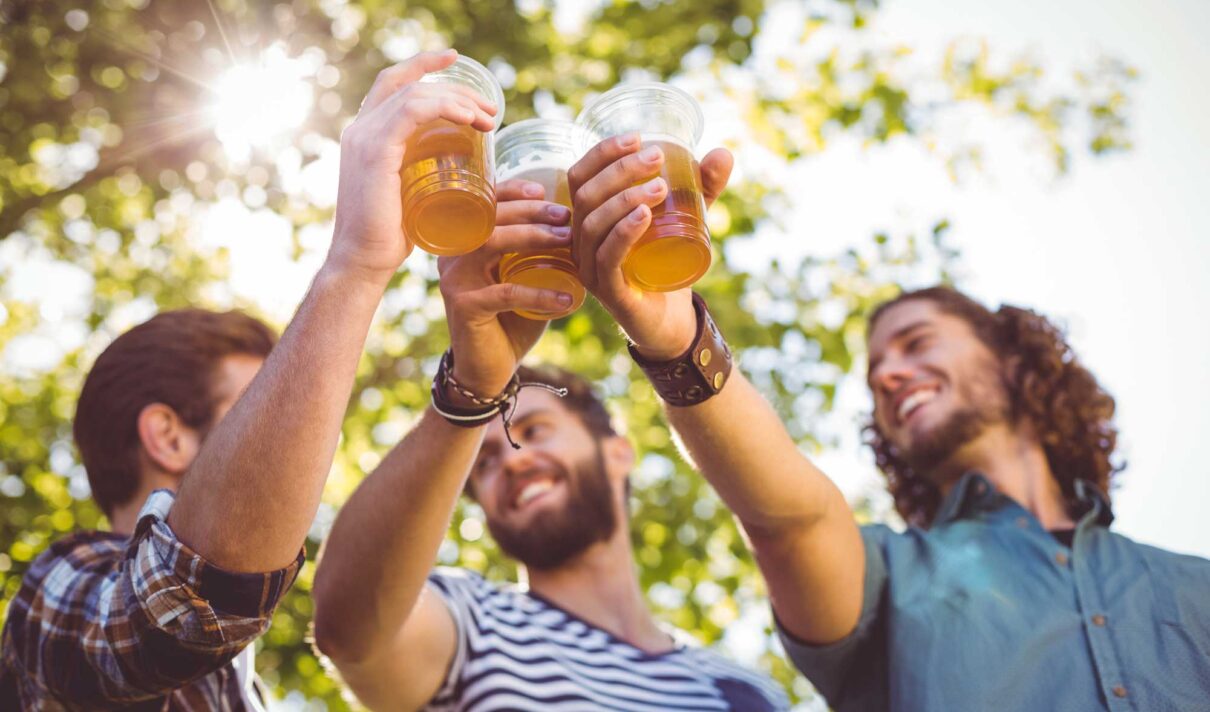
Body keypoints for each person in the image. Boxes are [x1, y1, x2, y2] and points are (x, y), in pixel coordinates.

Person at [567, 135, 1210, 710]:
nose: (887, 376)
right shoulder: (885, 575)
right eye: (875, 371)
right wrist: (678, 340)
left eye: (917, 343)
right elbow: (788, 518)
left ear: (1013, 359)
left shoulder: (1194, 587)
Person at [0, 49, 507, 710]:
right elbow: (186, 605)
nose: (303, 426)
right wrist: (355, 263)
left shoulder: (248, 693)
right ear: (167, 436)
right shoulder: (57, 591)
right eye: (254, 403)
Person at [310, 151, 790, 711]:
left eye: (534, 429)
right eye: (483, 463)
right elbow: (348, 631)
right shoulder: (469, 621)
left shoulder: (742, 693)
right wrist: (471, 389)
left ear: (618, 453)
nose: (511, 461)